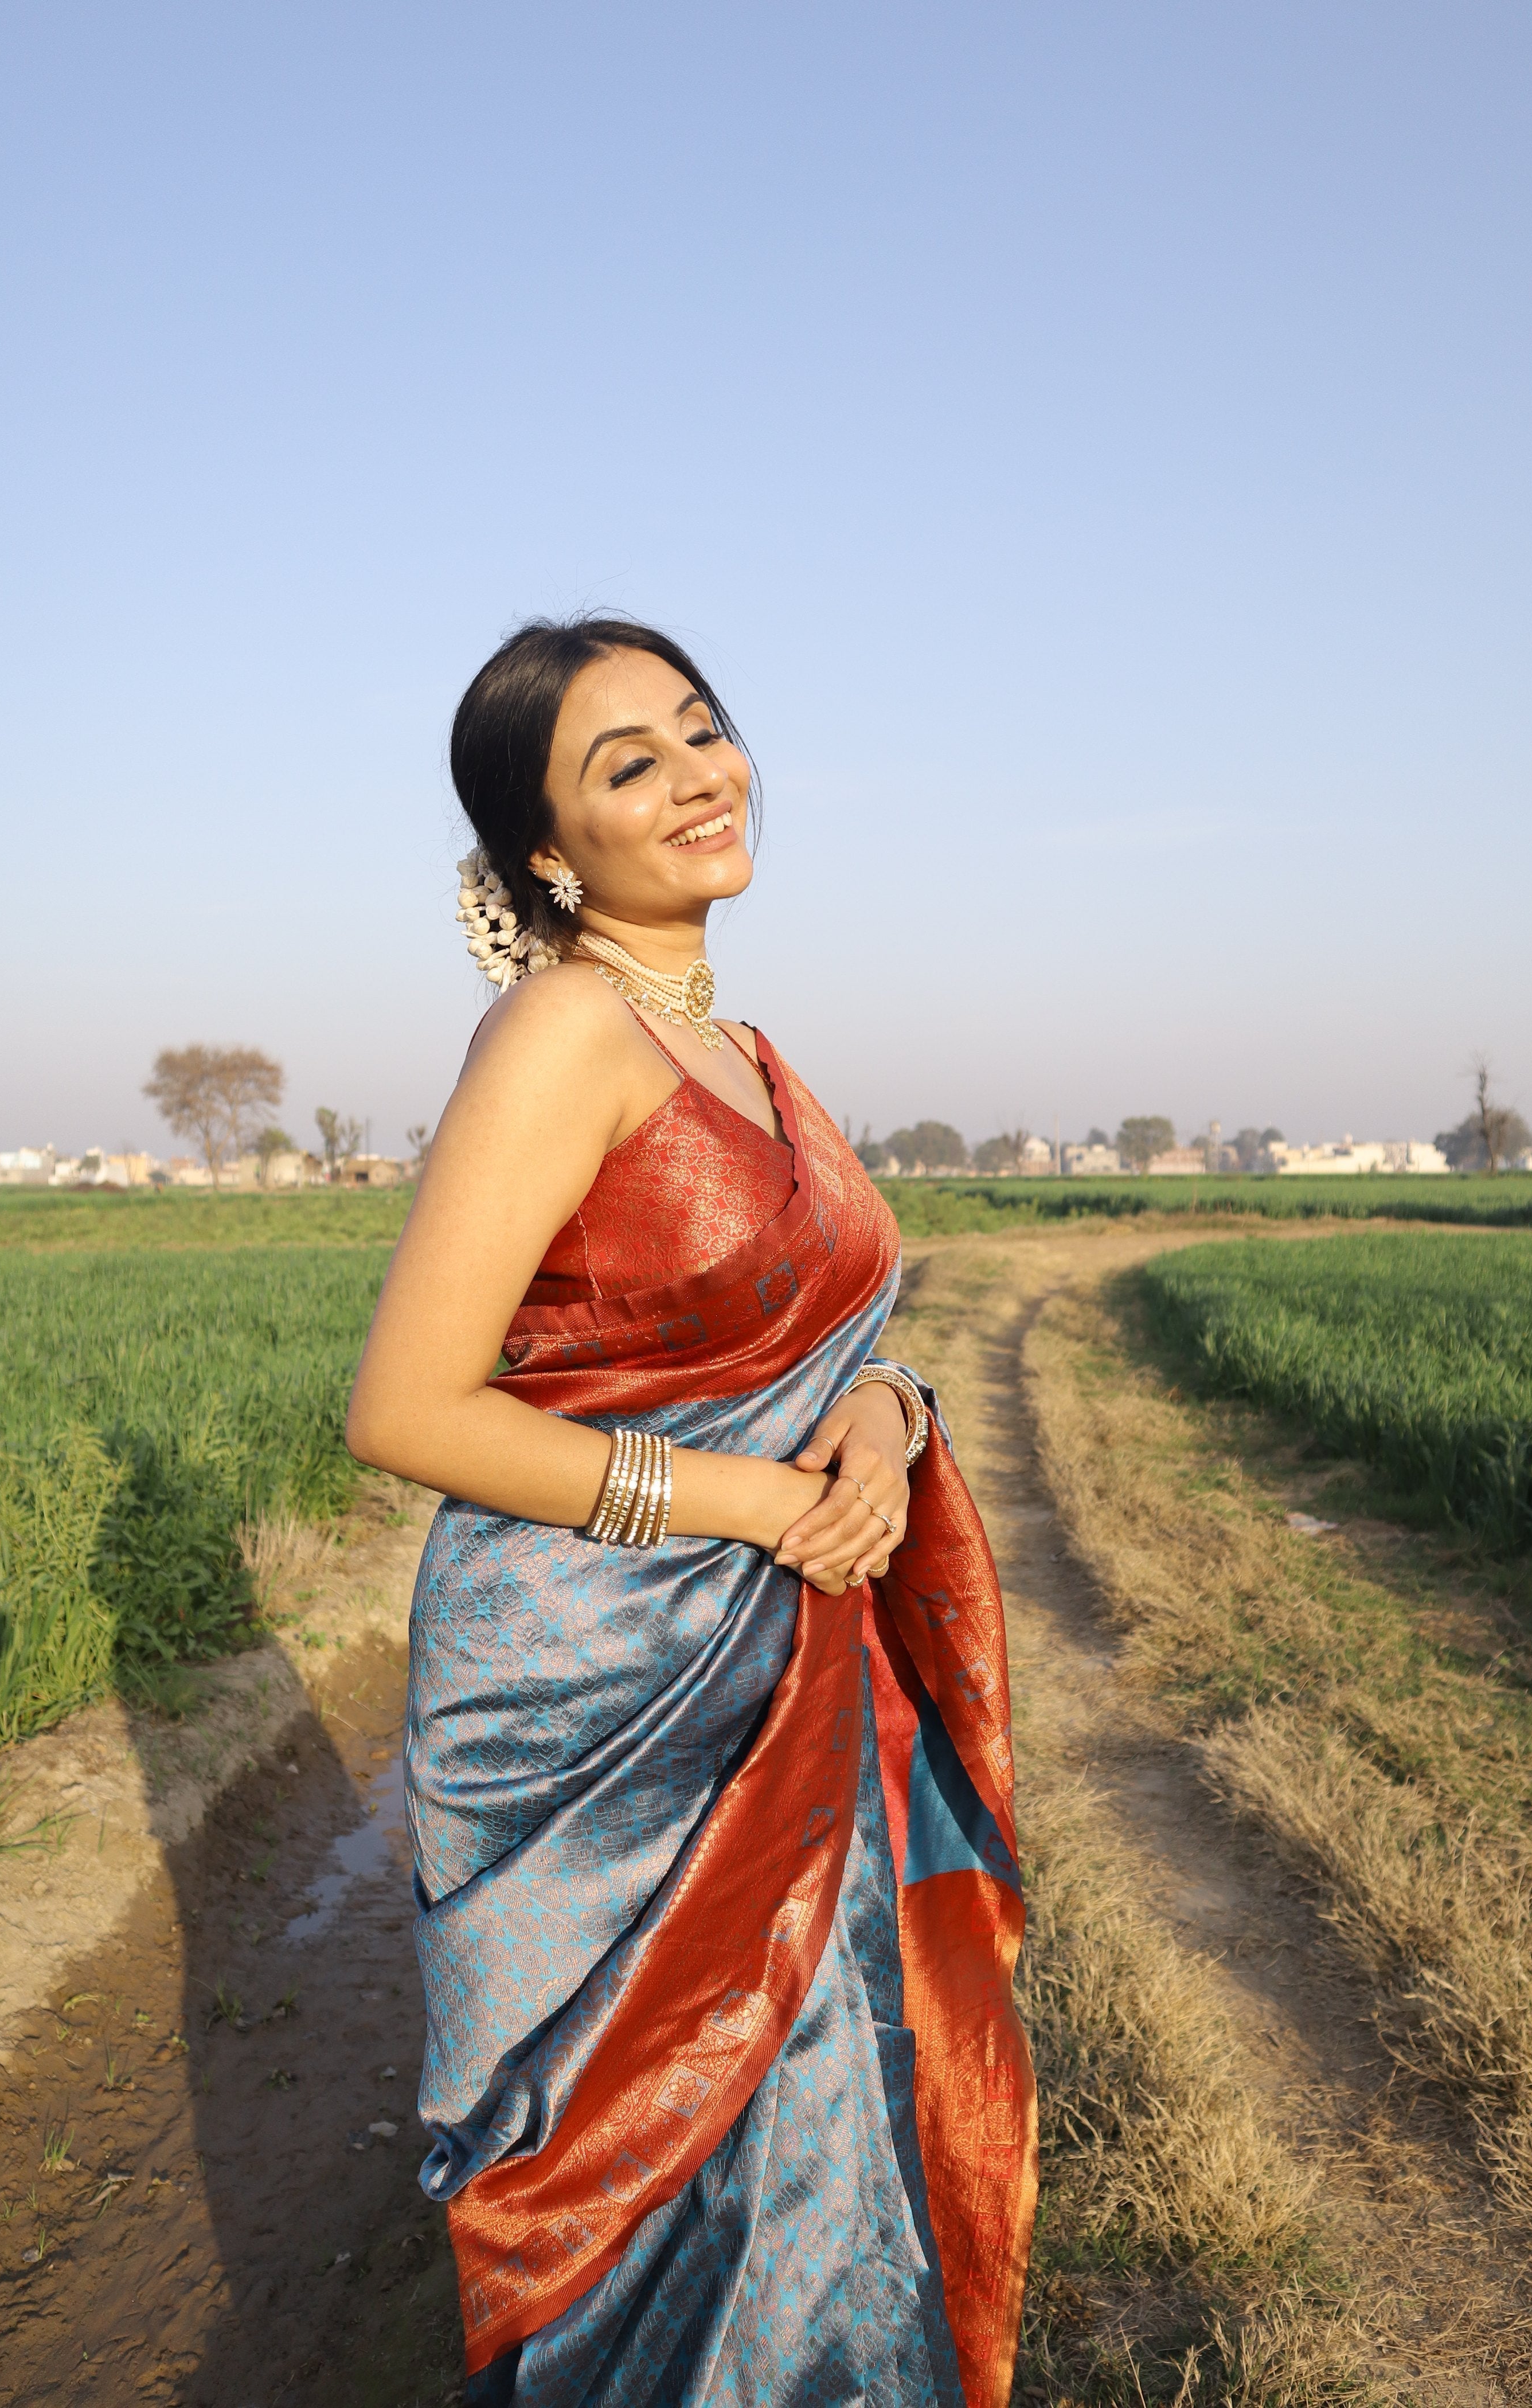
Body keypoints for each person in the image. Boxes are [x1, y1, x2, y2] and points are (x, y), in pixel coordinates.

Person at [346, 616, 1037, 2407]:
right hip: (594, 1697)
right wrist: (740, 1495)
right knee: (646, 2155)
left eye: (703, 728)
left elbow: (848, 1338)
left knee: (805, 2128)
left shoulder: (750, 1050)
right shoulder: (565, 1031)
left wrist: (884, 1432)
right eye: (626, 763)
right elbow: (406, 1407)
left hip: (779, 1664)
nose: (699, 774)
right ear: (549, 855)